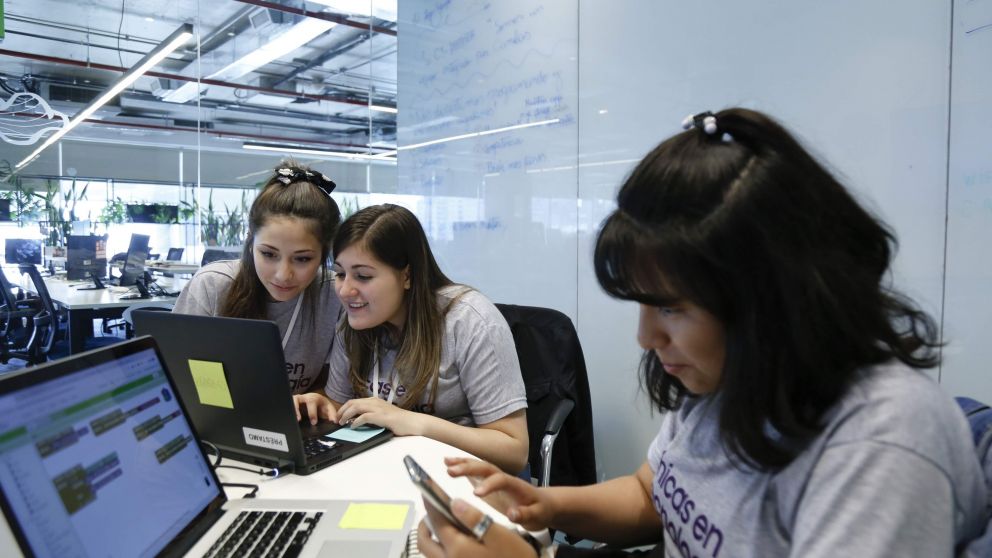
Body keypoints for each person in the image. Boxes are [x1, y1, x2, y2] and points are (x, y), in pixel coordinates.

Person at [414, 108, 988, 557]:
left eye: (670, 309)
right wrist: (543, 505)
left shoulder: (882, 444)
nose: (645, 337)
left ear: (772, 296)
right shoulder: (727, 380)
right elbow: (651, 495)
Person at [293, 204, 529, 473]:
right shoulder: (354, 322)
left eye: (363, 276)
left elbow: (514, 450)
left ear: (407, 275)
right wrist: (324, 406)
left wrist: (415, 423)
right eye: (340, 274)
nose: (346, 290)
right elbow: (343, 407)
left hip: (465, 478)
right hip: (386, 470)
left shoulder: (470, 321)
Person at [172, 162, 342, 396]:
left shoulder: (334, 295)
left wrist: (315, 400)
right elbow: (179, 381)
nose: (283, 274)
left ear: (325, 253)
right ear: (250, 241)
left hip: (299, 427)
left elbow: (337, 389)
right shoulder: (212, 286)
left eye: (302, 259)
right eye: (269, 254)